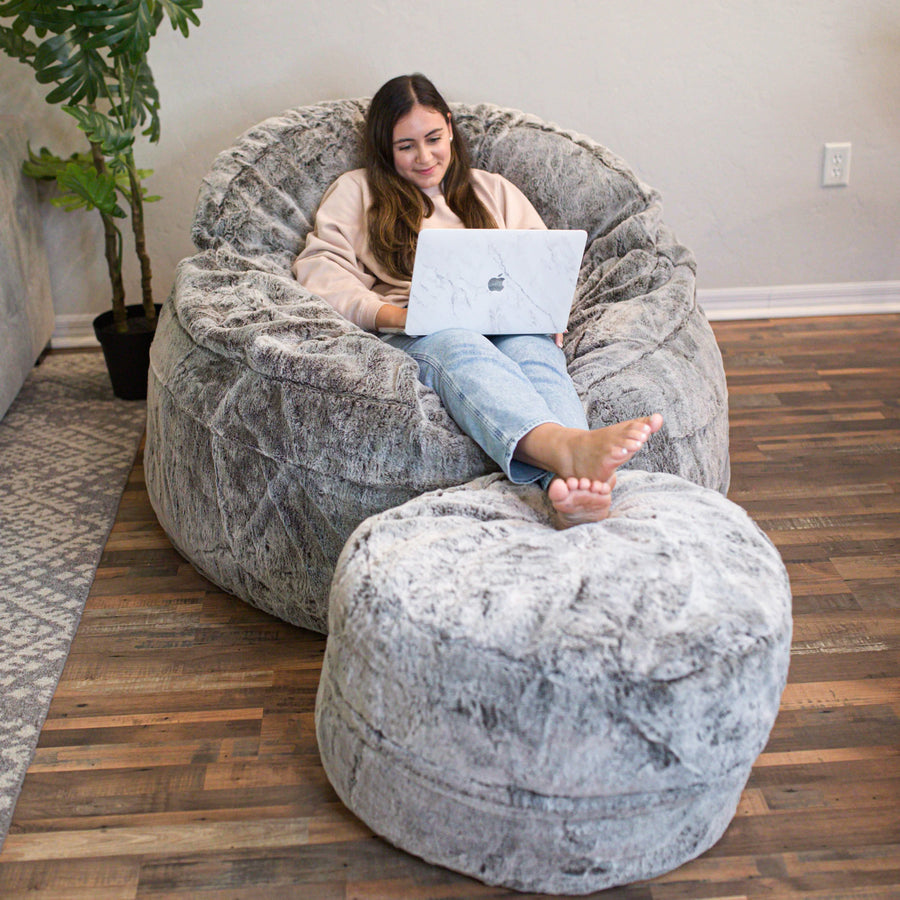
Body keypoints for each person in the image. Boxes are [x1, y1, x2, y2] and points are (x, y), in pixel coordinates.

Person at [292, 73, 662, 528]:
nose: (425, 157)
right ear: (383, 147)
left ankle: (574, 492)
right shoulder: (357, 191)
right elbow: (319, 270)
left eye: (433, 138)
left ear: (450, 127)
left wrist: (545, 308)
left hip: (505, 318)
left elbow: (543, 258)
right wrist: (392, 315)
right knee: (458, 344)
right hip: (422, 330)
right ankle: (569, 451)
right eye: (406, 146)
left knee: (534, 350)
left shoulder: (493, 189)